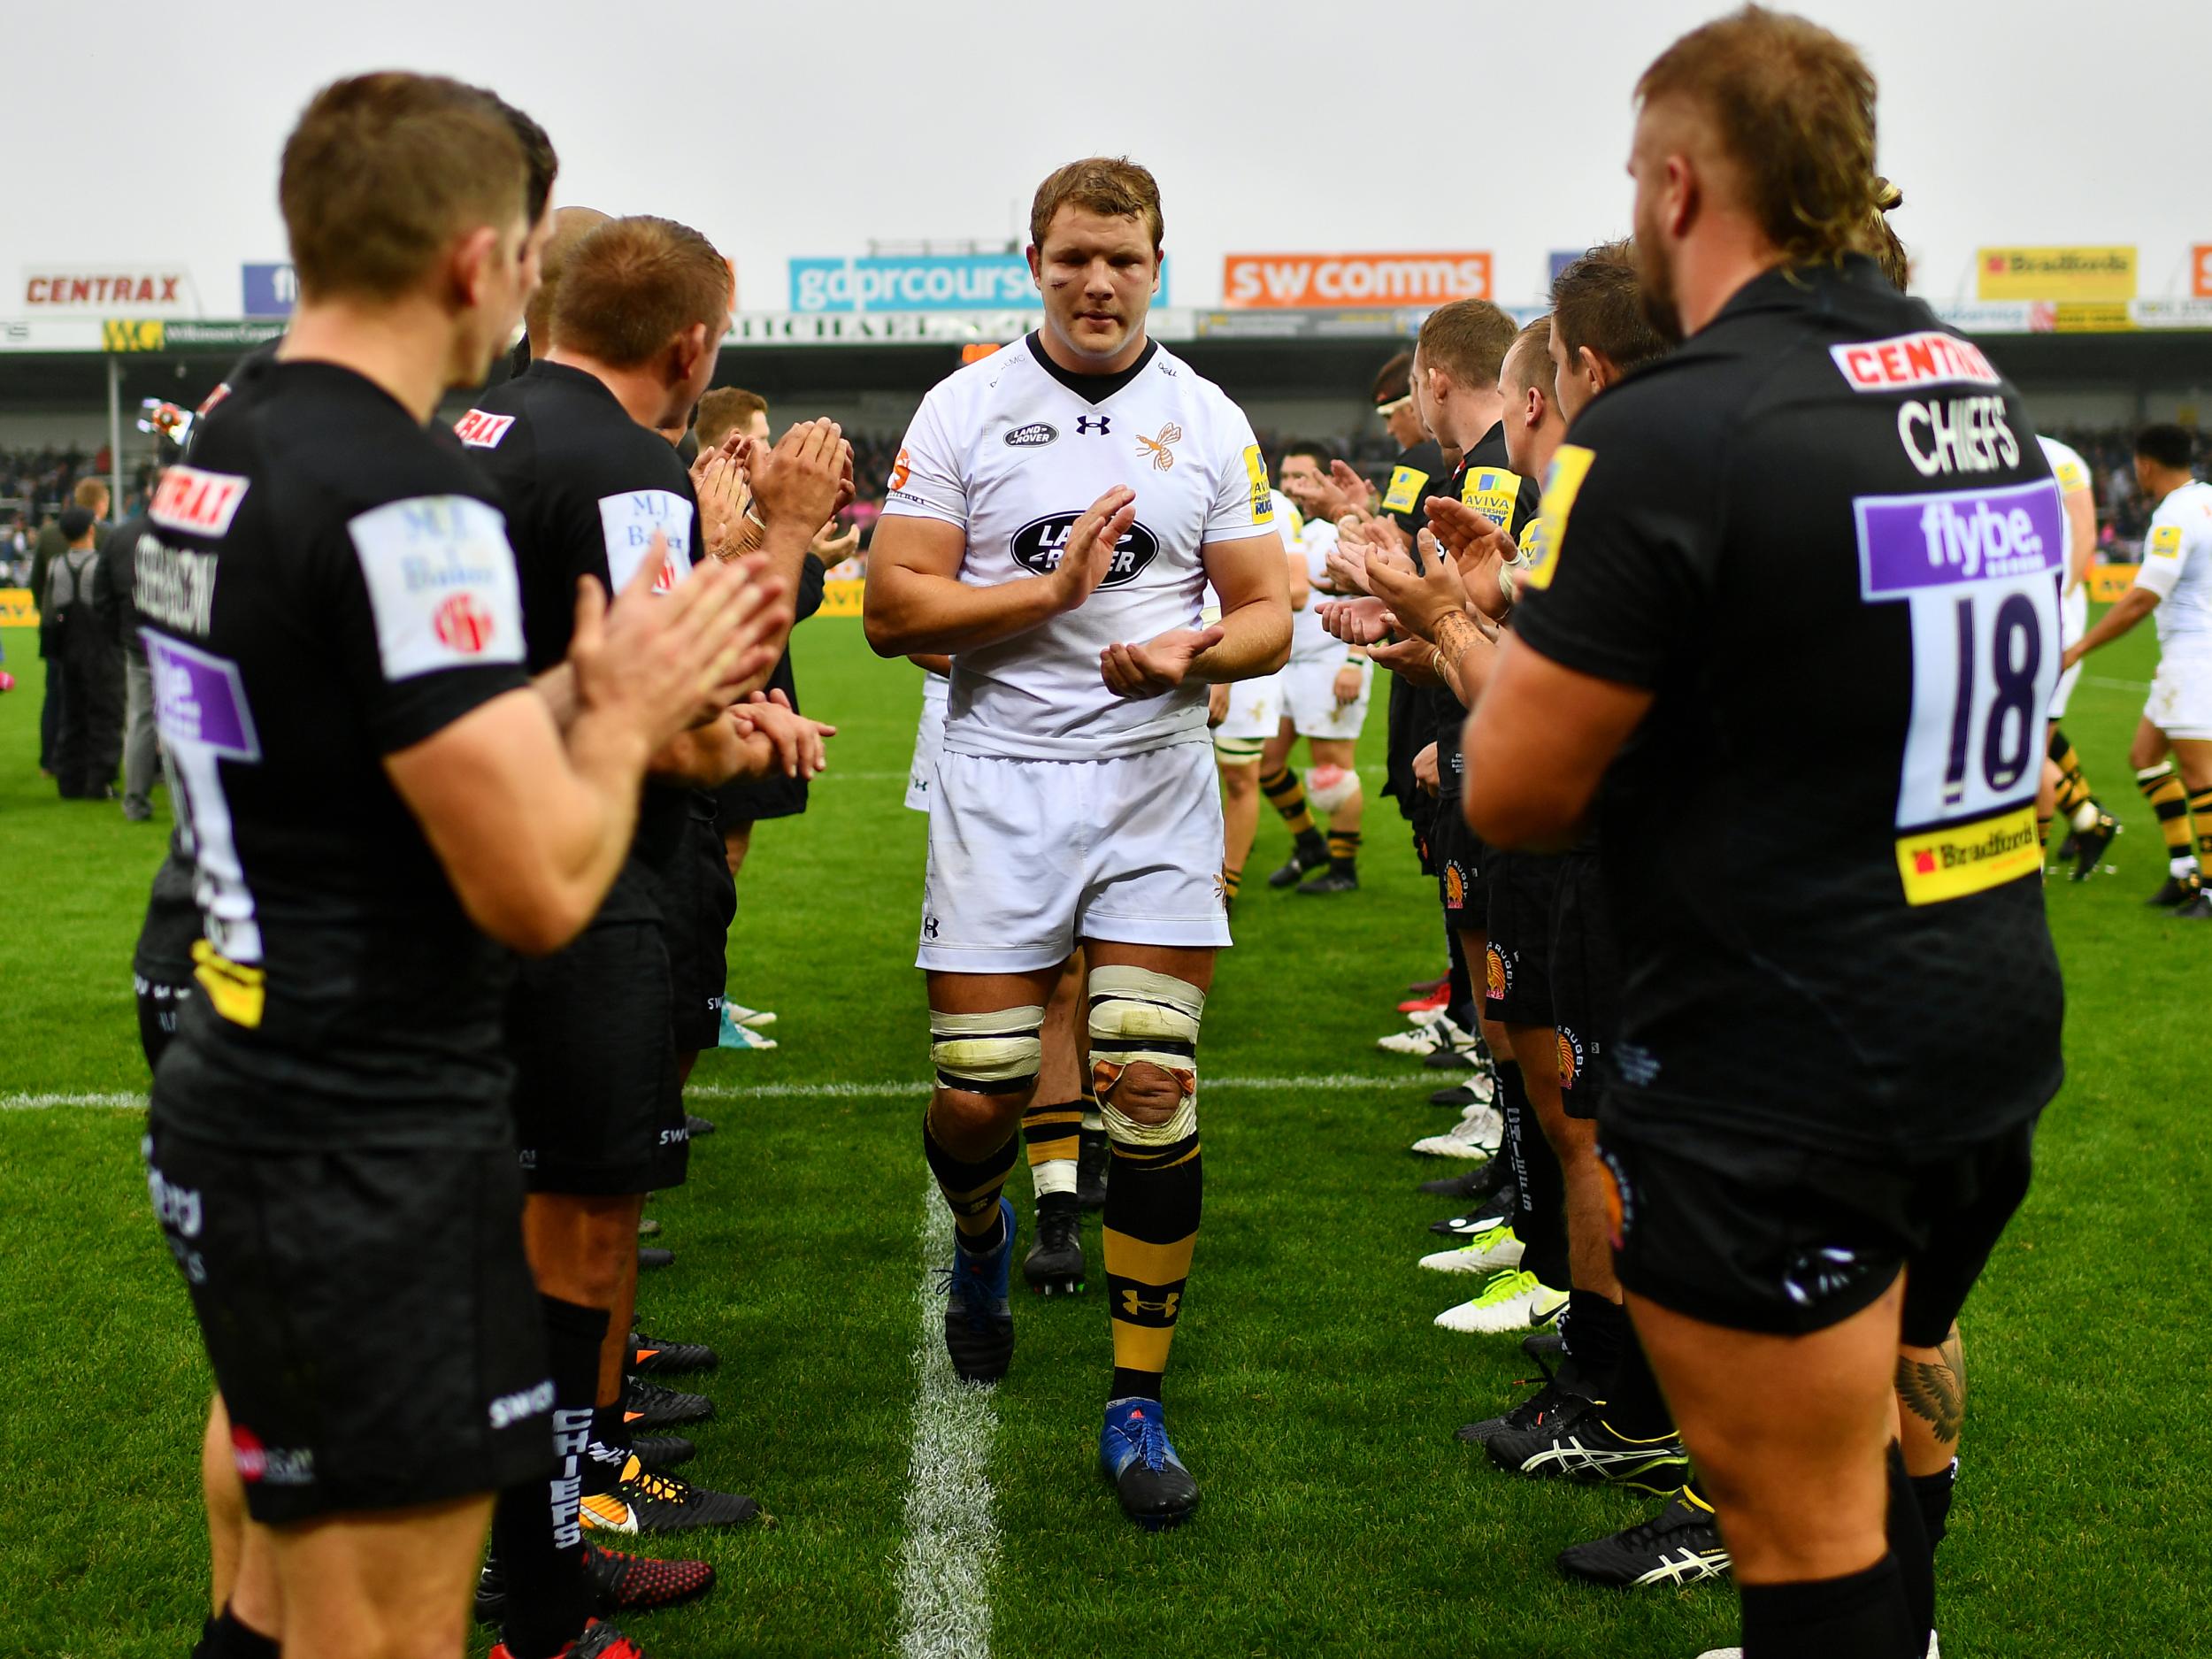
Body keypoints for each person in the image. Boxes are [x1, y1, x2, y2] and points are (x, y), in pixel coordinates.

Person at [140, 73, 787, 1659]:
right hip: (368, 1123)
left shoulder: (224, 437)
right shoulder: (398, 491)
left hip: (244, 1068)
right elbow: (536, 890)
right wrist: (628, 719)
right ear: (476, 261)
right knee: (386, 1622)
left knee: (272, 1569)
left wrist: (573, 688)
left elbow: (343, 735)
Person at [1467, 12, 2063, 1655]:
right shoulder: (1970, 379)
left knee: (1804, 1548)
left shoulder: (1672, 422)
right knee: (1874, 1455)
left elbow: (1511, 790)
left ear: (1674, 184)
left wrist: (1527, 622)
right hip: (1981, 1013)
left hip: (1782, 1051)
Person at [864, 155, 1291, 1530]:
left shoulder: (1207, 416)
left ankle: (1135, 1398)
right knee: (985, 1090)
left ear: (1159, 263)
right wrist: (1045, 591)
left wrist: (1191, 648)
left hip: (1153, 782)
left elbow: (1269, 613)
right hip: (999, 781)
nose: (1098, 281)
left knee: (1151, 1083)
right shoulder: (966, 403)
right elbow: (891, 605)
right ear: (1034, 265)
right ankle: (981, 1236)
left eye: (1124, 257)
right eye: (1072, 259)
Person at [457, 212, 842, 1654]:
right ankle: (552, 1574)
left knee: (497, 1228)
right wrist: (753, 699)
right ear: (691, 345)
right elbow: (666, 701)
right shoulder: (622, 466)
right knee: (576, 1236)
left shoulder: (468, 426)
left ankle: (510, 1549)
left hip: (463, 874)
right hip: (587, 879)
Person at [2062, 423, 2212, 918]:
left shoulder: (2173, 517)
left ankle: (2209, 891)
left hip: (2193, 657)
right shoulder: (2207, 499)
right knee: (2144, 757)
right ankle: (2182, 871)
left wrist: (2080, 646)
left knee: (2200, 777)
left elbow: (2143, 598)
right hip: (2191, 657)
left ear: (2145, 465)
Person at [1260, 447, 1367, 894]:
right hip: (1286, 661)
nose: (1291, 486)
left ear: (1324, 481)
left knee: (1333, 770)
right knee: (1266, 762)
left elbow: (1372, 595)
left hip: (1331, 659)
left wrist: (1356, 663)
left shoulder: (1340, 531)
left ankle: (1343, 869)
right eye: (1285, 476)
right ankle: (1308, 843)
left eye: (1303, 477)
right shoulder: (1276, 522)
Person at [1211, 480, 1310, 908]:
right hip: (1167, 653)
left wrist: (1224, 672)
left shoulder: (1272, 507)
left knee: (1239, 775)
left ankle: (1226, 890)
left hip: (1241, 658)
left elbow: (1299, 592)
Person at [2033, 433, 2117, 876]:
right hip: (2017, 611)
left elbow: (2083, 528)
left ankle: (2033, 869)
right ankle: (2087, 819)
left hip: (2052, 618)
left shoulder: (2057, 457)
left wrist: (2064, 595)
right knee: (2032, 735)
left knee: (2029, 749)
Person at [44, 503, 125, 799]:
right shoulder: (100, 564)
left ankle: (69, 781)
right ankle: (99, 783)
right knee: (105, 715)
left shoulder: (56, 565)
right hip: (101, 649)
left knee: (71, 715)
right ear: (91, 529)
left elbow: (52, 611)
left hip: (69, 649)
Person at [97, 478, 163, 818]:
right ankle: (195, 805)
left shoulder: (120, 537)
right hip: (182, 641)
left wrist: (118, 635)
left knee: (140, 720)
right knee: (189, 721)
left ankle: (135, 801)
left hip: (136, 641)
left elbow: (102, 593)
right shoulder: (191, 534)